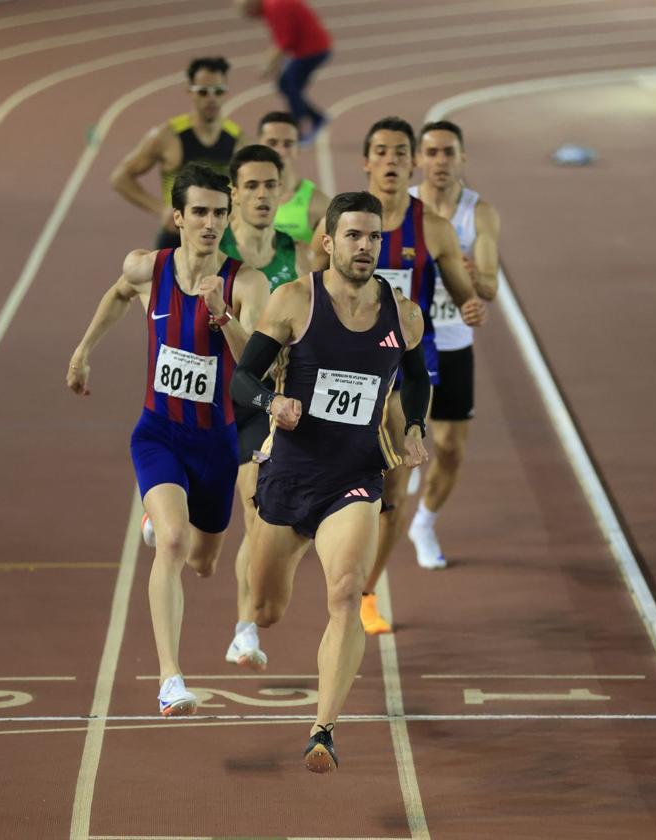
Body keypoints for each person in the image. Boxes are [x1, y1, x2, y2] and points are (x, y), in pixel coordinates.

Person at [231, 191, 430, 772]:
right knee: (267, 610)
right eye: (353, 236)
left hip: (355, 477)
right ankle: (253, 618)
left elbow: (416, 378)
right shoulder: (295, 299)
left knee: (345, 593)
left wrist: (414, 424)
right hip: (289, 476)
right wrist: (274, 402)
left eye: (373, 237)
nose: (365, 246)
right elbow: (244, 379)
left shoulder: (403, 313)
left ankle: (323, 729)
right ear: (328, 241)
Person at [67, 164, 268, 716]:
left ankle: (161, 519)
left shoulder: (247, 282)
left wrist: (221, 315)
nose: (209, 223)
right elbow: (116, 294)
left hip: (218, 442)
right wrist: (84, 352)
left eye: (219, 213)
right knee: (174, 545)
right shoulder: (145, 267)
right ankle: (170, 678)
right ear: (178, 216)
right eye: (199, 212)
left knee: (204, 562)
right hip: (158, 432)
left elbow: (257, 365)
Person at [310, 116, 485, 634]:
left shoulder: (432, 226)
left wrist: (473, 303)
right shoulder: (336, 220)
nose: (390, 161)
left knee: (394, 484)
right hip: (341, 366)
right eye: (381, 152)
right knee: (325, 470)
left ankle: (364, 591)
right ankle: (324, 544)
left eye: (400, 153)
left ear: (413, 163)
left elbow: (462, 294)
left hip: (407, 367)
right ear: (365, 161)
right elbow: (311, 287)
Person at [217, 144, 301, 671]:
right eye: (251, 186)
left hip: (262, 401)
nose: (263, 195)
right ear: (234, 194)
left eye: (270, 185)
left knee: (255, 511)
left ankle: (244, 629)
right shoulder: (214, 246)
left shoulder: (296, 251)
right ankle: (157, 498)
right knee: (201, 545)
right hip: (213, 396)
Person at [406, 120, 500, 570]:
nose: (440, 161)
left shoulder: (478, 214)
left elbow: (490, 289)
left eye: (449, 152)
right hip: (406, 342)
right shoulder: (404, 210)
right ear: (418, 160)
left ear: (462, 158)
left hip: (454, 341)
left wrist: (469, 273)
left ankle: (423, 522)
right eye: (432, 152)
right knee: (400, 436)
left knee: (450, 448)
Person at [111, 57, 245, 250]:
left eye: (218, 91)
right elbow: (120, 178)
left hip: (221, 242)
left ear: (226, 93)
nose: (211, 98)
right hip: (177, 241)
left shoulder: (238, 139)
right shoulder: (168, 136)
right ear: (190, 92)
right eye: (203, 92)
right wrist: (160, 210)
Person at [235, 0, 331, 143]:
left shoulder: (275, 7)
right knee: (286, 84)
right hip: (306, 49)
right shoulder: (271, 6)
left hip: (312, 50)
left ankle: (298, 130)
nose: (250, 17)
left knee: (291, 87)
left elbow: (285, 41)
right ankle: (316, 118)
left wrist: (268, 65)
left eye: (247, 12)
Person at [257, 111, 330, 253]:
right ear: (259, 145)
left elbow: (331, 259)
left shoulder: (318, 204)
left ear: (298, 149)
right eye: (272, 143)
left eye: (288, 144)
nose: (280, 151)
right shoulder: (238, 200)